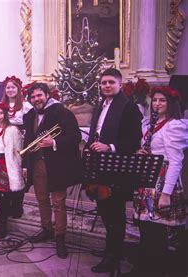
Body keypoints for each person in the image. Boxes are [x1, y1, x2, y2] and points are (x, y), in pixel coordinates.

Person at [85, 68, 143, 273]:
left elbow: (134, 140)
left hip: (117, 170)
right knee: (105, 211)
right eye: (103, 83)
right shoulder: (101, 104)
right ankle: (111, 249)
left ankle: (114, 257)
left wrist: (110, 147)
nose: (107, 86)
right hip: (100, 166)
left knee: (115, 215)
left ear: (120, 84)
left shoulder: (129, 107)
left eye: (111, 82)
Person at [129, 86, 187, 275]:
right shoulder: (149, 124)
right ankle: (144, 269)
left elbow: (176, 162)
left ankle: (156, 271)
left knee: (158, 233)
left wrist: (166, 194)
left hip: (161, 181)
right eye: (154, 100)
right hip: (148, 177)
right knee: (146, 229)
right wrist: (141, 153)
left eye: (162, 100)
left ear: (170, 103)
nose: (157, 104)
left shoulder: (174, 126)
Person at [22, 82, 82, 259]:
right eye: (32, 97)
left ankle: (60, 238)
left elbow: (75, 136)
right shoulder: (30, 115)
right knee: (41, 199)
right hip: (37, 163)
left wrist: (54, 142)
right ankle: (46, 229)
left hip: (57, 164)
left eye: (39, 95)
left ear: (47, 94)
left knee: (58, 202)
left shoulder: (62, 111)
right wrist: (25, 165)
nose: (36, 99)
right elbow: (28, 142)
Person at [0, 103, 24, 239]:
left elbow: (18, 150)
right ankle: (5, 209)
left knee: (5, 194)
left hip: (7, 164)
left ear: (5, 114)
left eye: (0, 113)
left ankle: (3, 225)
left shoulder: (12, 129)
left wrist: (18, 167)